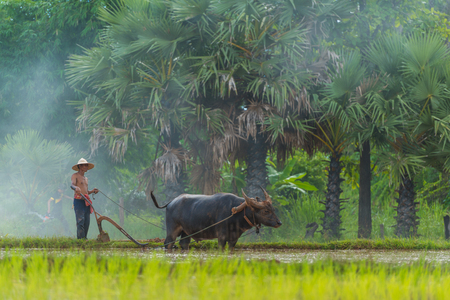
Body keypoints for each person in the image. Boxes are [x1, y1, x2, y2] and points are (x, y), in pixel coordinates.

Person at [71, 158, 98, 239]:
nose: (86, 167)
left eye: (87, 165)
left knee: (87, 221)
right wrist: (76, 188)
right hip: (78, 201)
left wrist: (93, 191)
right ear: (80, 166)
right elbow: (72, 185)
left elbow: (85, 192)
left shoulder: (86, 178)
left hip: (86, 201)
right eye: (84, 165)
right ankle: (80, 240)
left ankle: (84, 239)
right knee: (80, 221)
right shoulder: (75, 175)